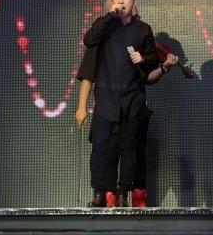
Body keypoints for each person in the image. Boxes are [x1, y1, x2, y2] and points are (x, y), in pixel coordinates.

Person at [79, 0, 159, 207]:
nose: (121, 1)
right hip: (106, 98)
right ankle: (98, 192)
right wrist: (110, 17)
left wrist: (143, 58)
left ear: (133, 1)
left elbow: (154, 58)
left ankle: (123, 193)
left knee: (128, 148)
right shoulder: (104, 25)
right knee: (100, 147)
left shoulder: (143, 29)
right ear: (111, 1)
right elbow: (88, 40)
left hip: (132, 98)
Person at [76, 42, 178, 207]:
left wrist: (164, 67)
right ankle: (107, 196)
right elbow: (88, 75)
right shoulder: (102, 41)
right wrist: (81, 107)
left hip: (134, 109)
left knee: (135, 154)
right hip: (110, 109)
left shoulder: (140, 40)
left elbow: (146, 77)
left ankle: (131, 196)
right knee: (109, 155)